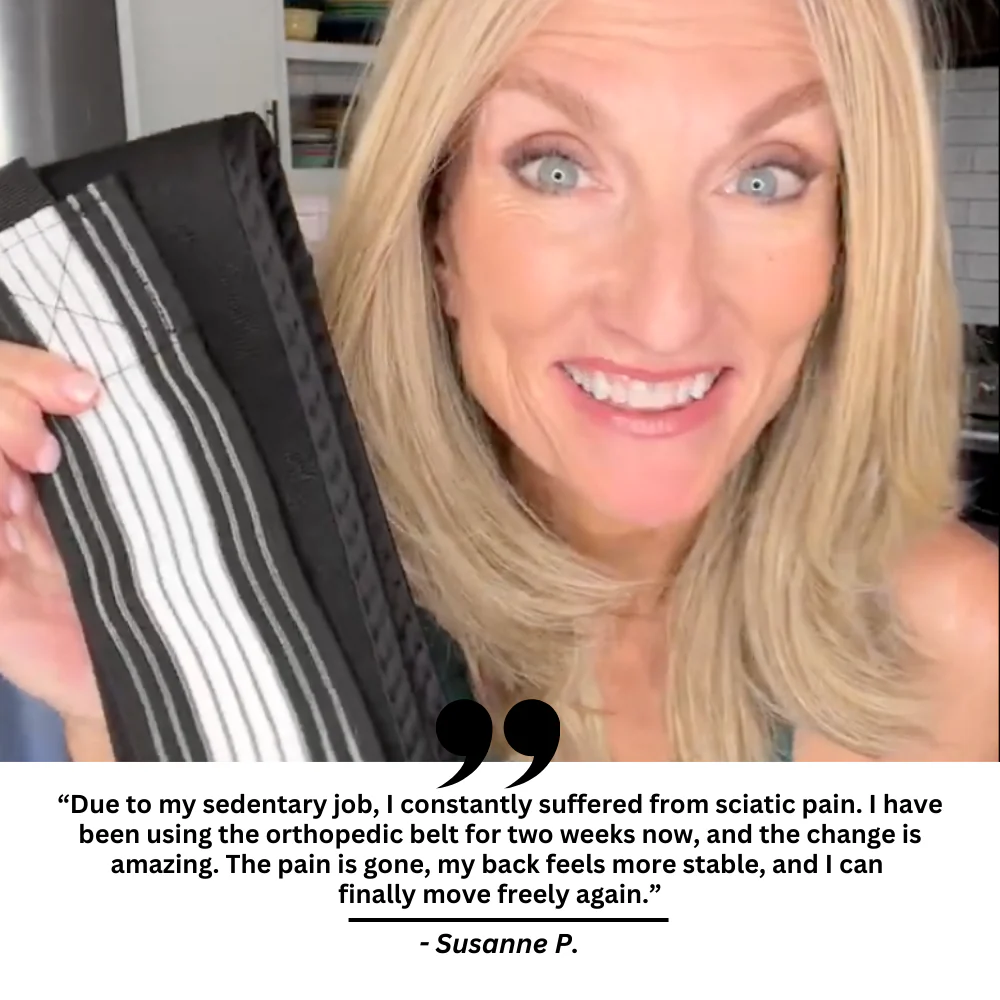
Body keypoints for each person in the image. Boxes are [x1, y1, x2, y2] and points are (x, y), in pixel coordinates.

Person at [0, 0, 996, 762]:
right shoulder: (240, 593)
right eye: (557, 169)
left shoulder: (952, 638)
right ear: (437, 232)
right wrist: (143, 702)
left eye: (764, 178)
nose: (665, 314)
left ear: (849, 243)